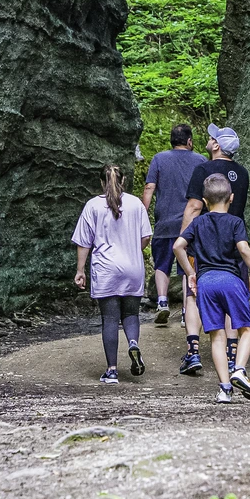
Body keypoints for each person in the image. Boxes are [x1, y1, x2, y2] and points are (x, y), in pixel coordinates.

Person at [175, 173, 250, 403]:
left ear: (204, 201)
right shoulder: (235, 222)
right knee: (246, 329)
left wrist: (191, 273)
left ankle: (225, 390)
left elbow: (178, 246)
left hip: (206, 283)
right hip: (231, 281)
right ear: (231, 198)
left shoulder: (198, 222)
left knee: (217, 337)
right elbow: (243, 249)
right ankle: (240, 370)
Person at [176, 123, 249, 375]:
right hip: (234, 240)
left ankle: (193, 352)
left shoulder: (204, 169)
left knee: (193, 290)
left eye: (210, 138)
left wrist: (185, 239)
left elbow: (194, 207)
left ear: (216, 145)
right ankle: (231, 355)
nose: (207, 140)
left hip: (204, 240)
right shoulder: (243, 173)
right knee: (232, 293)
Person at [72, 164, 153, 385]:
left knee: (109, 318)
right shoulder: (136, 204)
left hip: (106, 269)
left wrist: (80, 270)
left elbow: (83, 242)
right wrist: (132, 248)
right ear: (124, 181)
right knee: (131, 314)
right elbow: (146, 237)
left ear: (101, 182)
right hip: (133, 267)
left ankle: (112, 371)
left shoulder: (93, 206)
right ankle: (133, 343)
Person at [141, 124, 206, 328]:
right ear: (189, 141)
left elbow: (150, 187)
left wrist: (142, 217)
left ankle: (162, 302)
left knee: (162, 264)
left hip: (165, 223)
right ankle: (188, 311)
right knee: (187, 267)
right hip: (191, 225)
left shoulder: (159, 159)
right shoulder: (201, 161)